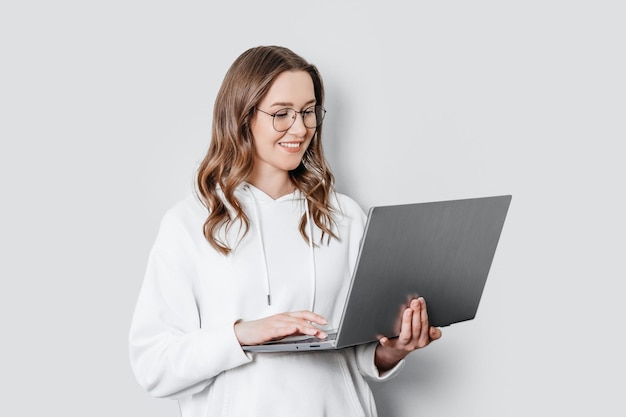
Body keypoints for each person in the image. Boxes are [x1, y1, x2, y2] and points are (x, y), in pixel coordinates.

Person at [129, 45, 442, 417]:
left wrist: (396, 348)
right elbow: (153, 365)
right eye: (282, 115)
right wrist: (243, 333)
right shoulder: (190, 223)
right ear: (242, 117)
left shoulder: (345, 216)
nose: (301, 129)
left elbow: (358, 349)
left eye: (309, 112)